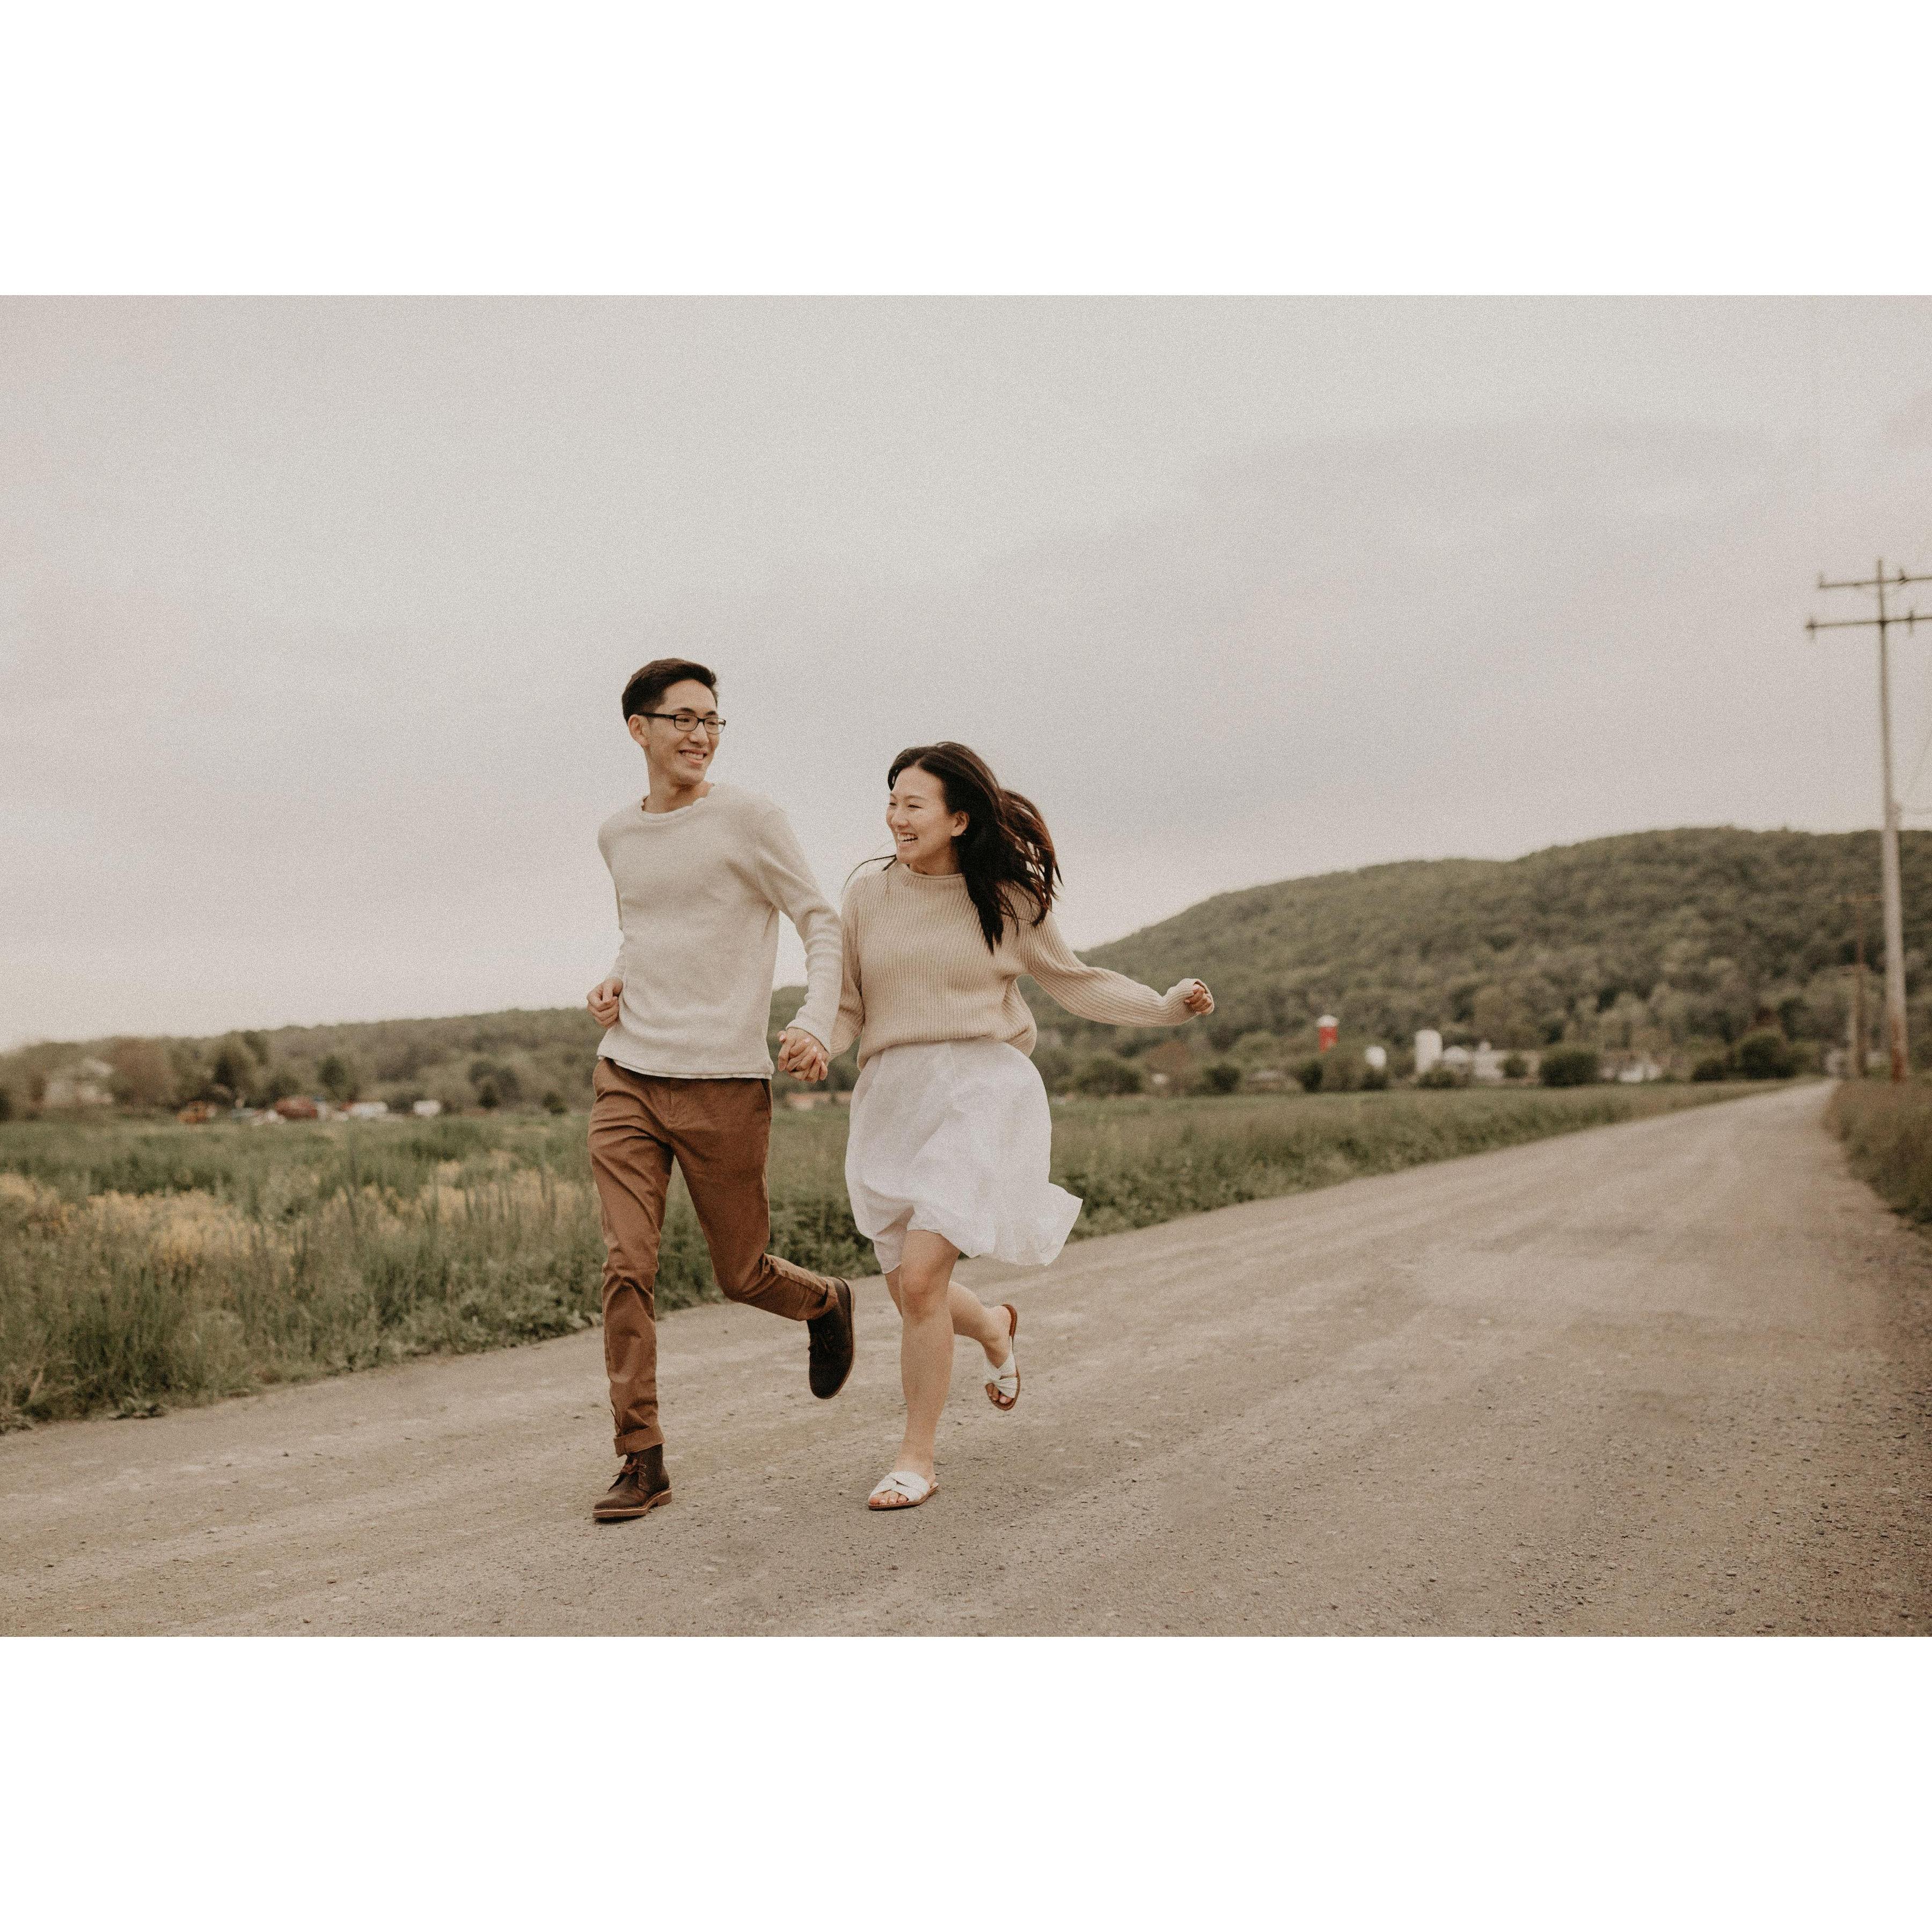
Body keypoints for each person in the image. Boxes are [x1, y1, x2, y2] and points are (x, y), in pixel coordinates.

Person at [819, 742, 1213, 1511]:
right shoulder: (867, 895)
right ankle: (996, 1326)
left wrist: (1166, 1007)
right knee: (910, 1292)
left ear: (959, 819)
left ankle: (916, 1459)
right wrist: (814, 1043)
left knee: (923, 1280)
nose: (896, 818)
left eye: (913, 804)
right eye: (892, 802)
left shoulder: (1009, 901)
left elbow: (1077, 982)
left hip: (979, 1091)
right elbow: (847, 1005)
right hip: (891, 1098)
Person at [582, 657, 854, 1523]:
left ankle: (824, 1300)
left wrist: (815, 1021)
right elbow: (649, 930)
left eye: (712, 720)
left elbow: (819, 921)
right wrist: (616, 978)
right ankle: (642, 1458)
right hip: (628, 1073)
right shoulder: (617, 835)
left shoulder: (750, 819)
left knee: (741, 1274)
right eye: (683, 718)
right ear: (639, 729)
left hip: (724, 1083)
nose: (700, 734)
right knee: (627, 1264)